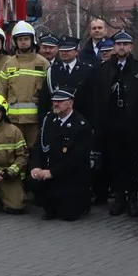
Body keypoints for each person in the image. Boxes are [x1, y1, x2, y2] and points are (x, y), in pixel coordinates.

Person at [95, 30, 138, 216]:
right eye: (118, 44)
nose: (122, 47)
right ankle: (119, 198)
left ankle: (133, 197)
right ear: (114, 47)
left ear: (131, 46)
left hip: (132, 123)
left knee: (132, 162)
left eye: (125, 44)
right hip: (111, 123)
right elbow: (98, 98)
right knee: (115, 162)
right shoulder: (104, 69)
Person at [30, 85, 94, 222]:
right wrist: (36, 167)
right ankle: (50, 206)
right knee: (33, 180)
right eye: (54, 101)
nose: (56, 103)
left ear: (70, 103)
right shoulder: (49, 120)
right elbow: (38, 147)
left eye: (60, 101)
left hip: (70, 176)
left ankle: (82, 204)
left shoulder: (81, 125)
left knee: (68, 215)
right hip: (51, 173)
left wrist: (52, 172)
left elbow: (76, 160)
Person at [1, 21, 51, 148]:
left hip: (35, 120)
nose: (23, 42)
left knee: (35, 150)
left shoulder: (43, 63)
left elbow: (49, 92)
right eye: (20, 39)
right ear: (15, 42)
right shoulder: (8, 64)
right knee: (15, 150)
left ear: (32, 40)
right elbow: (2, 91)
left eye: (26, 39)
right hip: (13, 120)